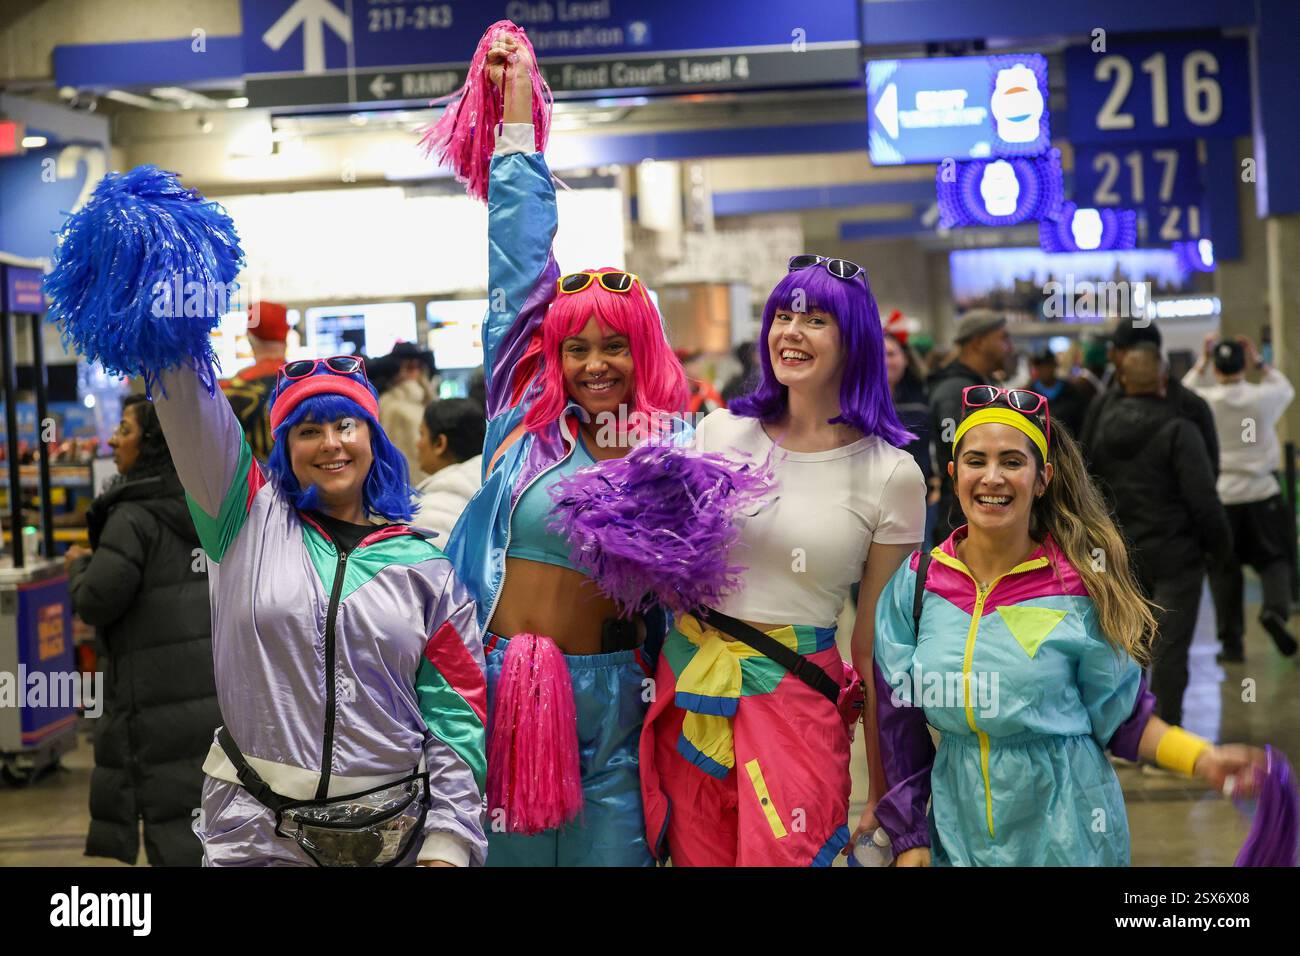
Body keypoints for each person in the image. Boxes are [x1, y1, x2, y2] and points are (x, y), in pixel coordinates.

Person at [46, 166, 488, 868]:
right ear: (284, 448)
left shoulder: (424, 564)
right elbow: (189, 401)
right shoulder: (245, 520)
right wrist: (164, 286)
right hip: (257, 836)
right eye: (309, 431)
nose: (332, 443)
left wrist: (450, 840)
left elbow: (458, 714)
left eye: (348, 426)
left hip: (399, 836)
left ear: (375, 440)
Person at [444, 35, 689, 867]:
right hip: (503, 691)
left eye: (613, 347)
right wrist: (516, 120)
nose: (593, 364)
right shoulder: (520, 419)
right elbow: (517, 268)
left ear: (643, 352)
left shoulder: (671, 451)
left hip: (618, 700)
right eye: (575, 347)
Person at [872, 382, 1265, 865]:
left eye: (1013, 462)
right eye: (976, 460)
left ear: (1042, 479)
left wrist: (1203, 758)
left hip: (1070, 835)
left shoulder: (1079, 588)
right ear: (954, 475)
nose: (991, 477)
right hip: (959, 835)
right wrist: (911, 841)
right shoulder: (917, 586)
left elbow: (1122, 717)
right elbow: (898, 723)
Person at [639, 254, 927, 866]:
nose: (790, 332)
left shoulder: (892, 473)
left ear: (855, 341)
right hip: (694, 686)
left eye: (816, 319)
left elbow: (879, 649)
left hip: (798, 700)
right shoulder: (717, 432)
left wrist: (884, 791)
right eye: (782, 316)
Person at [64, 395, 216, 866]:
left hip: (151, 698)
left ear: (151, 442)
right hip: (211, 692)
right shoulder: (208, 502)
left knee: (168, 816)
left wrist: (79, 567)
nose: (112, 439)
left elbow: (96, 601)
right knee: (204, 812)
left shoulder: (131, 516)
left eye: (125, 429)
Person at [1088, 345, 1231, 726]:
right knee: (1169, 648)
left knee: (1126, 645)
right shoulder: (1180, 430)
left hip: (1119, 554)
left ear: (1122, 380)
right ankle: (1164, 736)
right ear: (1164, 380)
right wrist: (1220, 548)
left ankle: (1125, 732)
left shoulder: (1101, 425)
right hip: (1176, 554)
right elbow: (1203, 498)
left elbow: (1088, 486)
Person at [1184, 334, 1298, 661]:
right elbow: (1285, 387)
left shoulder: (1207, 401)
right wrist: (1260, 362)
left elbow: (1183, 392)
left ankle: (1232, 645)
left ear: (1216, 369)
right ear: (1244, 364)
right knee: (1274, 559)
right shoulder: (1263, 397)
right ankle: (1275, 611)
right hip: (1263, 493)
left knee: (1224, 571)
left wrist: (1202, 360)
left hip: (1223, 498)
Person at [1080, 318, 1219, 478]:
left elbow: (1087, 468)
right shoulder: (1192, 404)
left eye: (1115, 350)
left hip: (1117, 502)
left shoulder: (1103, 406)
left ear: (1131, 356)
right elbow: (1210, 470)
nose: (1110, 355)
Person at [928, 310, 1013, 543]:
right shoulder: (956, 391)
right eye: (1003, 338)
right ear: (978, 342)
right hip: (960, 521)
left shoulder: (983, 385)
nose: (1009, 347)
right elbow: (955, 456)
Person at [219, 301, 290, 462]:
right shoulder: (308, 381)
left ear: (250, 338)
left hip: (254, 484)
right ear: (287, 336)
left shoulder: (229, 390)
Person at [414, 397, 485, 542]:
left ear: (440, 443)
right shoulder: (501, 488)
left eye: (422, 434)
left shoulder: (430, 513)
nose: (418, 444)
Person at [378, 342, 438, 483]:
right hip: (412, 485)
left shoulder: (426, 399)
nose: (414, 372)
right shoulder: (391, 405)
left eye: (417, 366)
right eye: (408, 367)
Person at [1027, 348, 1088, 437]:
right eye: (1040, 366)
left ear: (1055, 365)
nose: (1044, 370)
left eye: (1048, 365)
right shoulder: (1029, 394)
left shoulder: (1071, 391)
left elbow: (1082, 423)